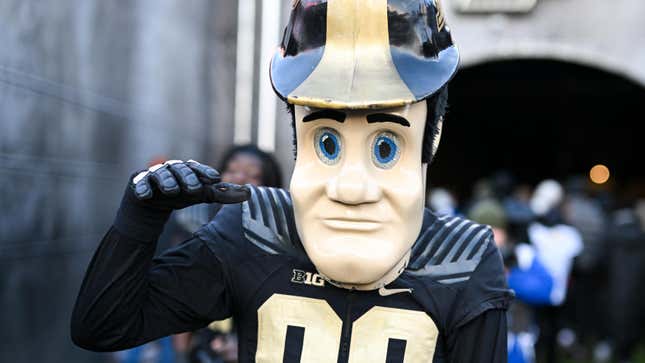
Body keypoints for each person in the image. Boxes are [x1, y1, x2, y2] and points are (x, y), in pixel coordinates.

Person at [71, 1, 512, 362]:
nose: (350, 189)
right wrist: (139, 222)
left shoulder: (461, 260)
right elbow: (103, 326)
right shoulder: (258, 231)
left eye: (385, 146)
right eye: (327, 143)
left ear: (429, 138)